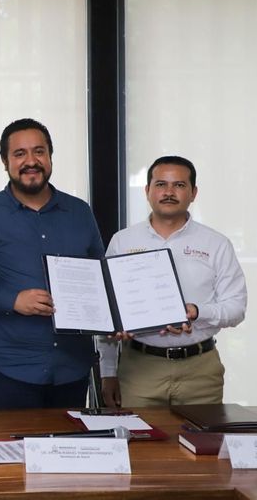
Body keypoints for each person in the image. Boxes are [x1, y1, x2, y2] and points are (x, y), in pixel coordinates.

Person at [0, 118, 105, 410]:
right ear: (4, 161)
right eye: (19, 154)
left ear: (50, 156)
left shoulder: (80, 212)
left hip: (72, 367)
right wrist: (13, 300)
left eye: (39, 151)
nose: (31, 161)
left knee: (71, 453)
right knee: (10, 455)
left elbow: (100, 277)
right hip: (7, 368)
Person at [99, 156, 247, 407]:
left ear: (193, 192)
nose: (168, 192)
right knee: (141, 444)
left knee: (202, 445)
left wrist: (197, 312)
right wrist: (108, 373)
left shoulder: (216, 243)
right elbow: (108, 312)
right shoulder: (122, 242)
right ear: (147, 191)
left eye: (179, 185)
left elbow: (236, 308)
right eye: (160, 185)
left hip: (200, 370)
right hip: (139, 369)